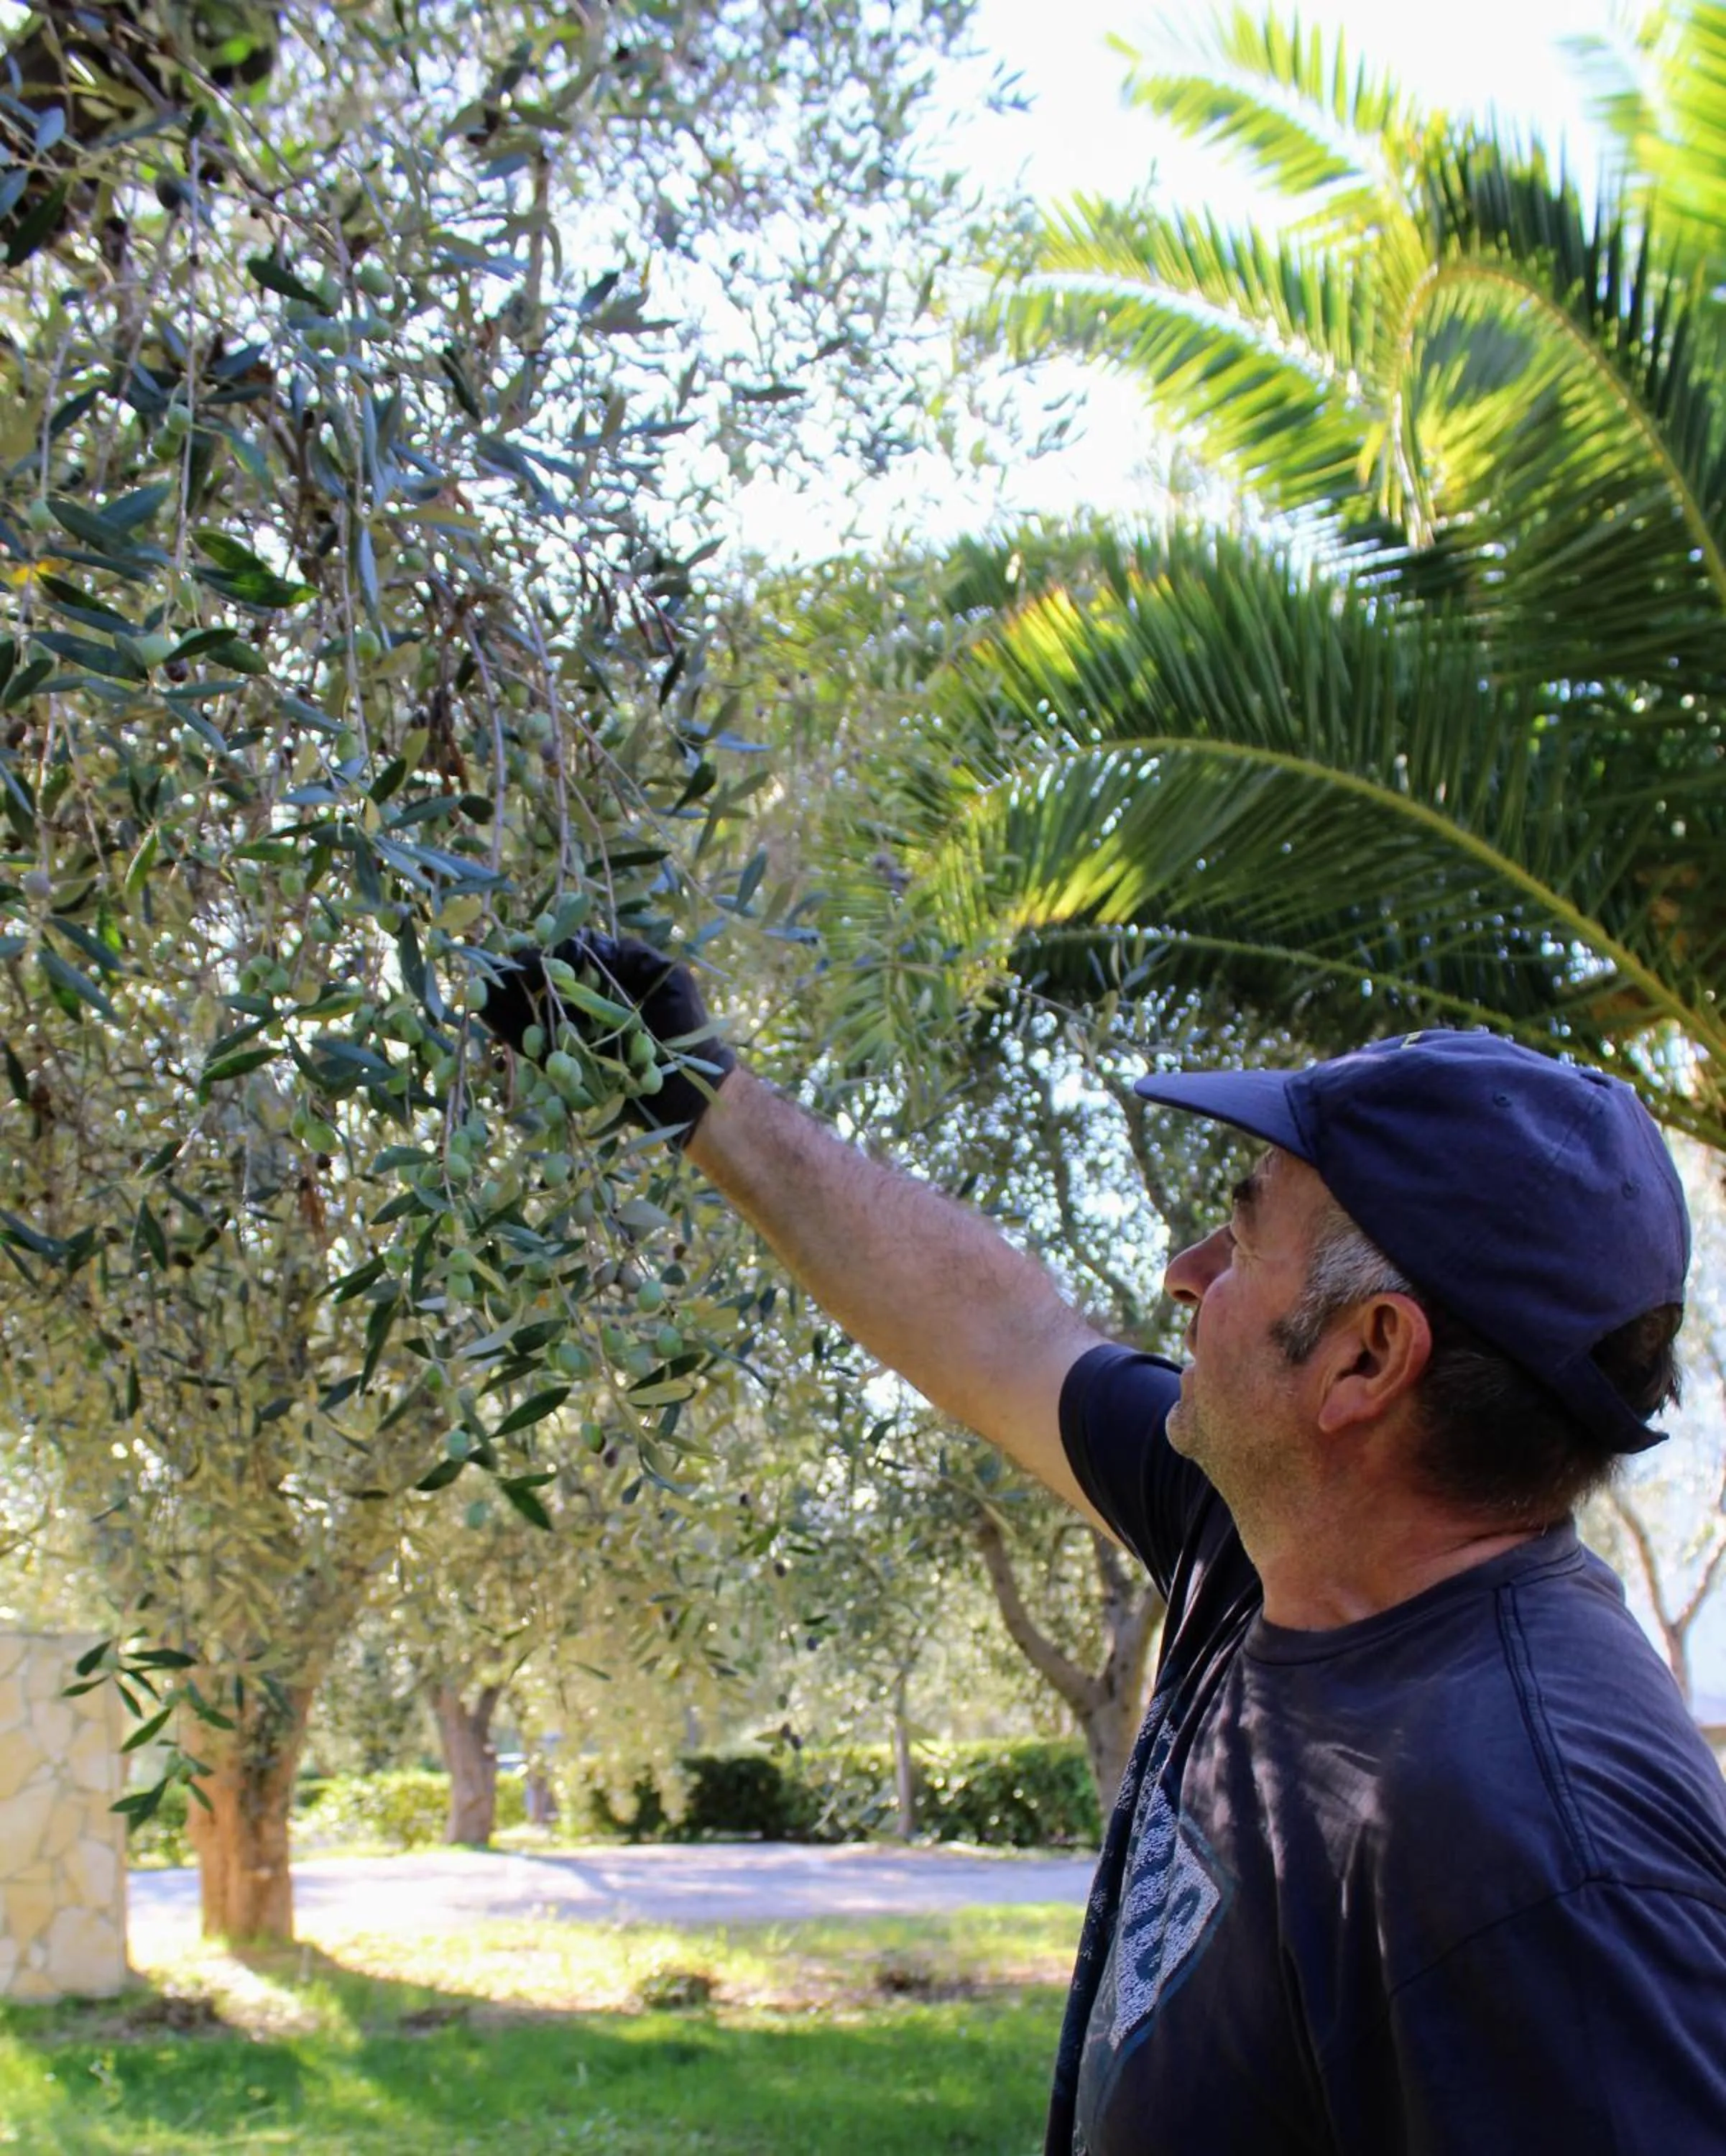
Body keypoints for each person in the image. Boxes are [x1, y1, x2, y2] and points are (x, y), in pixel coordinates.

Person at [482, 937, 1726, 2155]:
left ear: (1365, 1356)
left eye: (1239, 1239)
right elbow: (1006, 1335)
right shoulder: (1260, 1543)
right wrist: (703, 1094)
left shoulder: (1541, 1849)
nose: (1183, 1275)